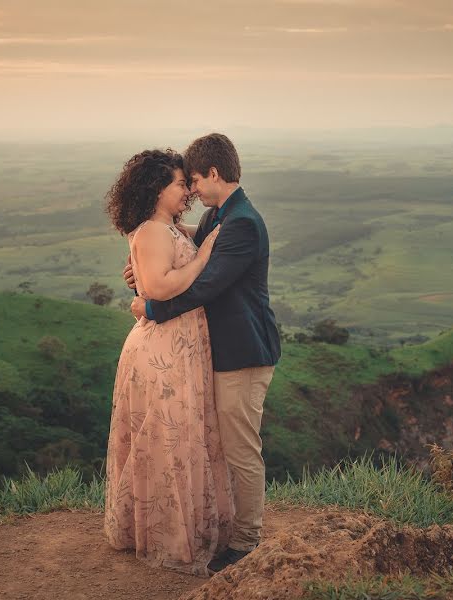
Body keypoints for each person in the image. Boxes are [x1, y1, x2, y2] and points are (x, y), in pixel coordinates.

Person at [125, 133, 281, 573]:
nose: (191, 190)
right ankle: (229, 528)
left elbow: (208, 285)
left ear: (214, 174)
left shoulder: (242, 223)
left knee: (240, 448)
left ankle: (247, 541)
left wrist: (151, 307)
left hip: (244, 352)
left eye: (194, 180)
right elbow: (182, 243)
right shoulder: (221, 215)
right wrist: (143, 268)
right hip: (222, 351)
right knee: (224, 445)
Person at [103, 148, 234, 577]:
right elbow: (159, 290)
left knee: (175, 438)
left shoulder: (167, 228)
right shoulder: (154, 231)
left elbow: (148, 274)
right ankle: (167, 538)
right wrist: (202, 257)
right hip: (162, 350)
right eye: (180, 183)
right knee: (167, 440)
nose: (187, 191)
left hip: (177, 346)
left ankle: (174, 530)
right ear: (156, 189)